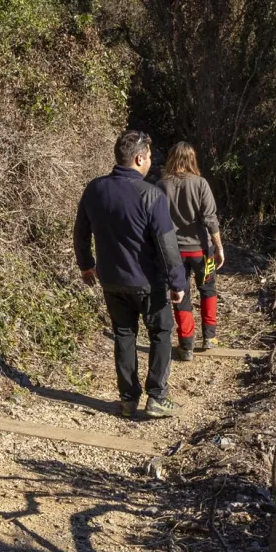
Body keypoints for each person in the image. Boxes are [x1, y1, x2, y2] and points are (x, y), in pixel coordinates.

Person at [74, 130, 188, 419]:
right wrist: (177, 282)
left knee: (124, 335)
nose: (150, 161)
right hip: (148, 282)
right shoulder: (151, 194)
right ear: (139, 158)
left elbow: (81, 231)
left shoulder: (95, 189)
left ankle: (128, 399)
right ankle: (157, 397)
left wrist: (86, 265)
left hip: (111, 279)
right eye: (149, 157)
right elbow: (166, 244)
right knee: (161, 333)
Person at [156, 142, 224, 360]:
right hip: (202, 251)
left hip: (174, 253)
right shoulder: (201, 183)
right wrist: (219, 247)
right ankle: (210, 337)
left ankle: (186, 345)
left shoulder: (161, 185)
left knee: (180, 294)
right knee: (208, 288)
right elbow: (210, 219)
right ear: (192, 159)